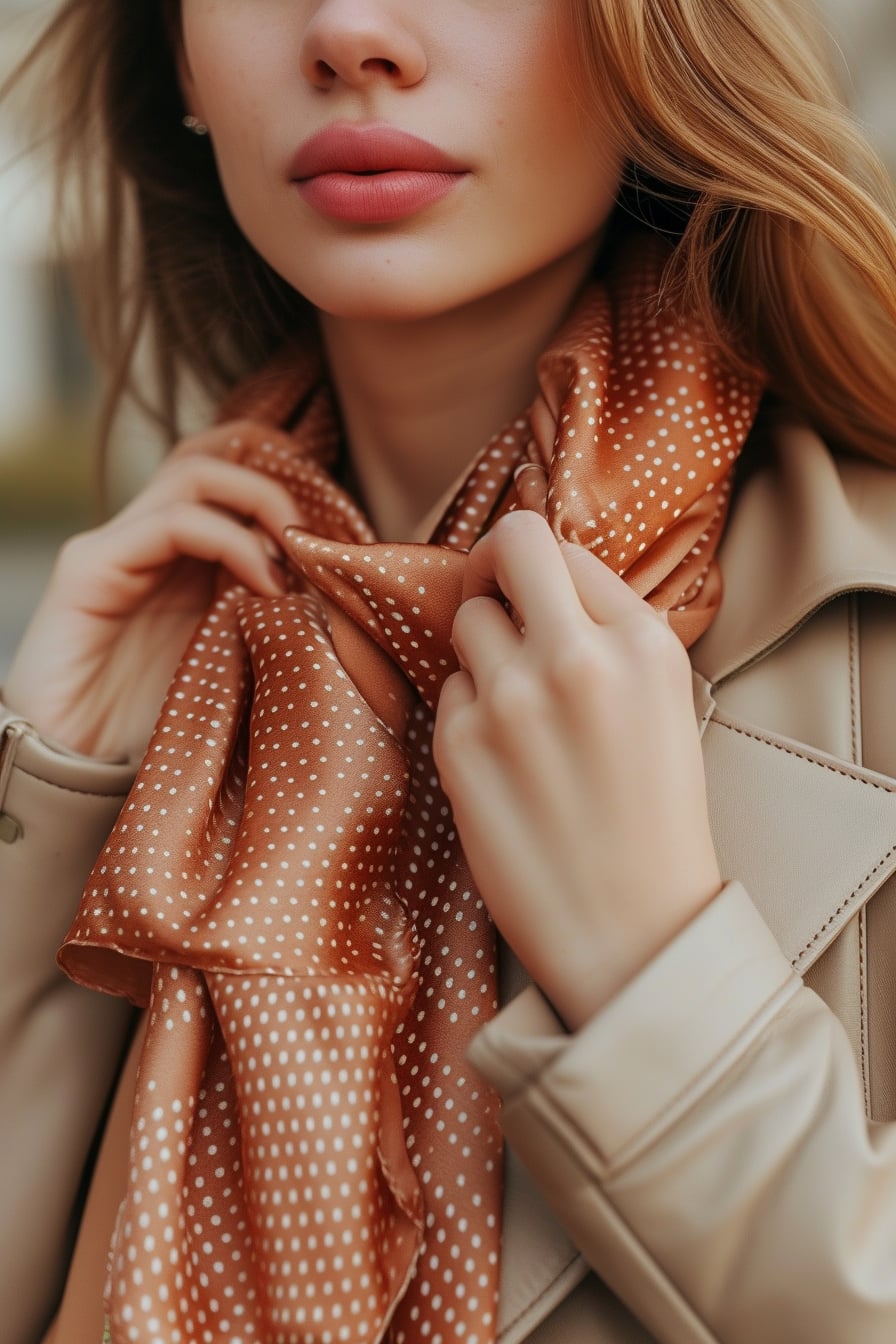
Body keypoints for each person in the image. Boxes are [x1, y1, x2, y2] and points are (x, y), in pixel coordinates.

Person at [2, 0, 896, 1341]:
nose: (353, 31)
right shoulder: (166, 661)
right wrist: (44, 809)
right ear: (179, 57)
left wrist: (658, 969)